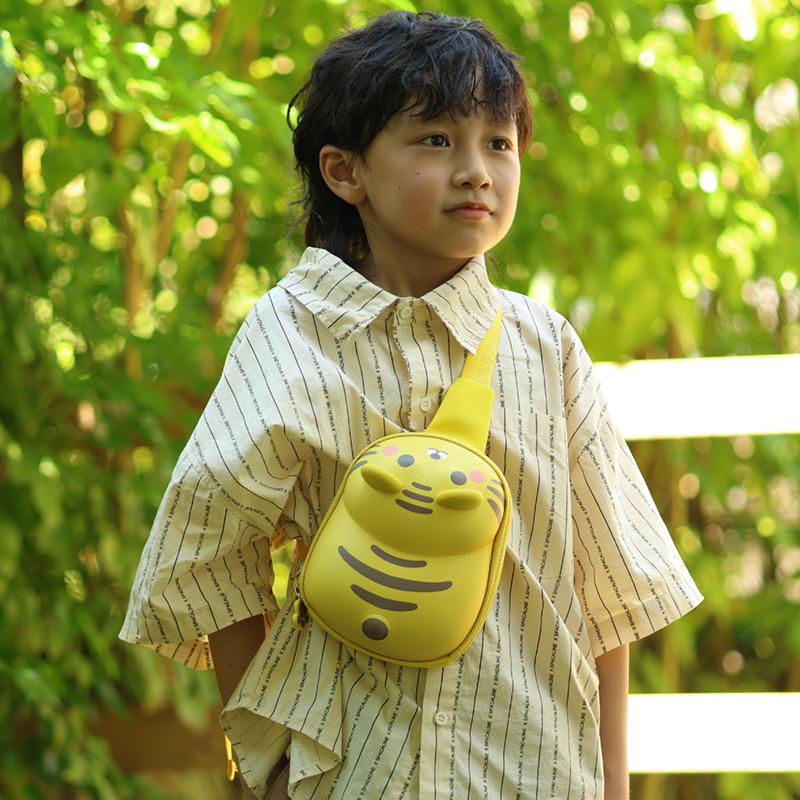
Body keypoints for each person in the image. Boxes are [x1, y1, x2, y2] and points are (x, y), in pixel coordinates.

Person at [120, 11, 702, 800]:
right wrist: (267, 763)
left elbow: (608, 596)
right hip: (355, 776)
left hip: (532, 773)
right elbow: (210, 546)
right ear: (344, 172)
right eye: (436, 139)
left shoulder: (546, 348)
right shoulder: (290, 332)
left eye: (498, 143)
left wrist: (615, 790)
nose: (477, 171)